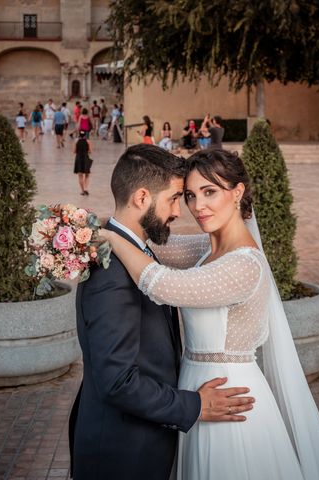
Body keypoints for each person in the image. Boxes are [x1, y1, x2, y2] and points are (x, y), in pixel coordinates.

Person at [99, 149, 319, 480]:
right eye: (189, 195)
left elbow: (160, 283)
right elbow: (150, 248)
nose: (198, 206)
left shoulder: (245, 265)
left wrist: (108, 236)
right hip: (194, 394)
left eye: (210, 192)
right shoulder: (205, 249)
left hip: (231, 398)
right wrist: (82, 228)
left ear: (237, 192)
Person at [69, 145, 255, 480]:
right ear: (142, 197)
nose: (181, 211)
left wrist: (103, 230)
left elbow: (182, 269)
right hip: (123, 452)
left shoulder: (133, 252)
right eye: (175, 198)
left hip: (145, 438)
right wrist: (194, 406)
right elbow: (118, 382)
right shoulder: (110, 273)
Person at [73, 131, 92, 196]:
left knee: (80, 176)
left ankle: (82, 190)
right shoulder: (88, 141)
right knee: (87, 175)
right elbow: (90, 151)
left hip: (78, 159)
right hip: (85, 158)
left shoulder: (76, 141)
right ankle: (86, 188)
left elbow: (74, 151)